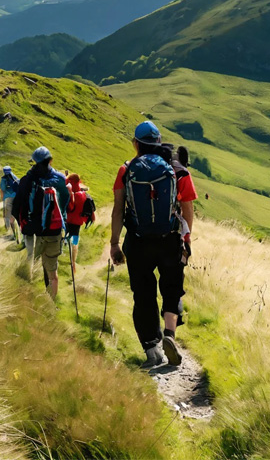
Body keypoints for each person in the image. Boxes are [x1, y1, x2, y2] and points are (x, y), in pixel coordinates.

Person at [109, 121, 197, 369]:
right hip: (170, 240)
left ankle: (152, 350)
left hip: (137, 242)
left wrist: (115, 243)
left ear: (136, 144)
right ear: (159, 142)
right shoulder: (178, 170)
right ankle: (170, 334)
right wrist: (185, 238)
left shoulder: (126, 170)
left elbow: (118, 209)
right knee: (172, 288)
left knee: (143, 294)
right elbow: (188, 208)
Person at [12, 146, 69, 300]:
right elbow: (66, 203)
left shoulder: (27, 180)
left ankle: (33, 290)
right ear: (50, 160)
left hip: (34, 229)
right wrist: (63, 222)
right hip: (54, 230)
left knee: (35, 259)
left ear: (34, 162)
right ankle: (50, 301)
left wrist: (24, 225)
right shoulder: (60, 179)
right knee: (51, 268)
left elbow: (16, 206)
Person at [64, 173, 95, 266]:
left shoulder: (70, 194)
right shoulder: (84, 195)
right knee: (75, 242)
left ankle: (61, 252)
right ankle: (73, 261)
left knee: (64, 238)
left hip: (68, 221)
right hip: (77, 222)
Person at [0, 166, 20, 239]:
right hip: (17, 198)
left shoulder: (4, 179)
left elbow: (2, 189)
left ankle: (11, 233)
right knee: (15, 216)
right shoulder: (15, 178)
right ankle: (18, 233)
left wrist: (3, 199)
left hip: (8, 199)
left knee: (7, 216)